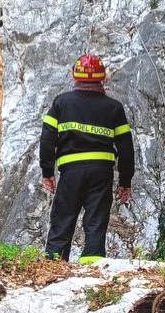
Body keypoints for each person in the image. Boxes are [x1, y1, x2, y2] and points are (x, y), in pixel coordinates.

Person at [39, 54, 134, 263]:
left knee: (62, 220)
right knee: (96, 222)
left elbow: (47, 139)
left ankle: (54, 266)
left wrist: (47, 172)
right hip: (101, 173)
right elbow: (126, 147)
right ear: (103, 78)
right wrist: (125, 181)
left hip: (71, 172)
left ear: (75, 76)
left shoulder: (61, 103)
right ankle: (93, 268)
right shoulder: (114, 107)